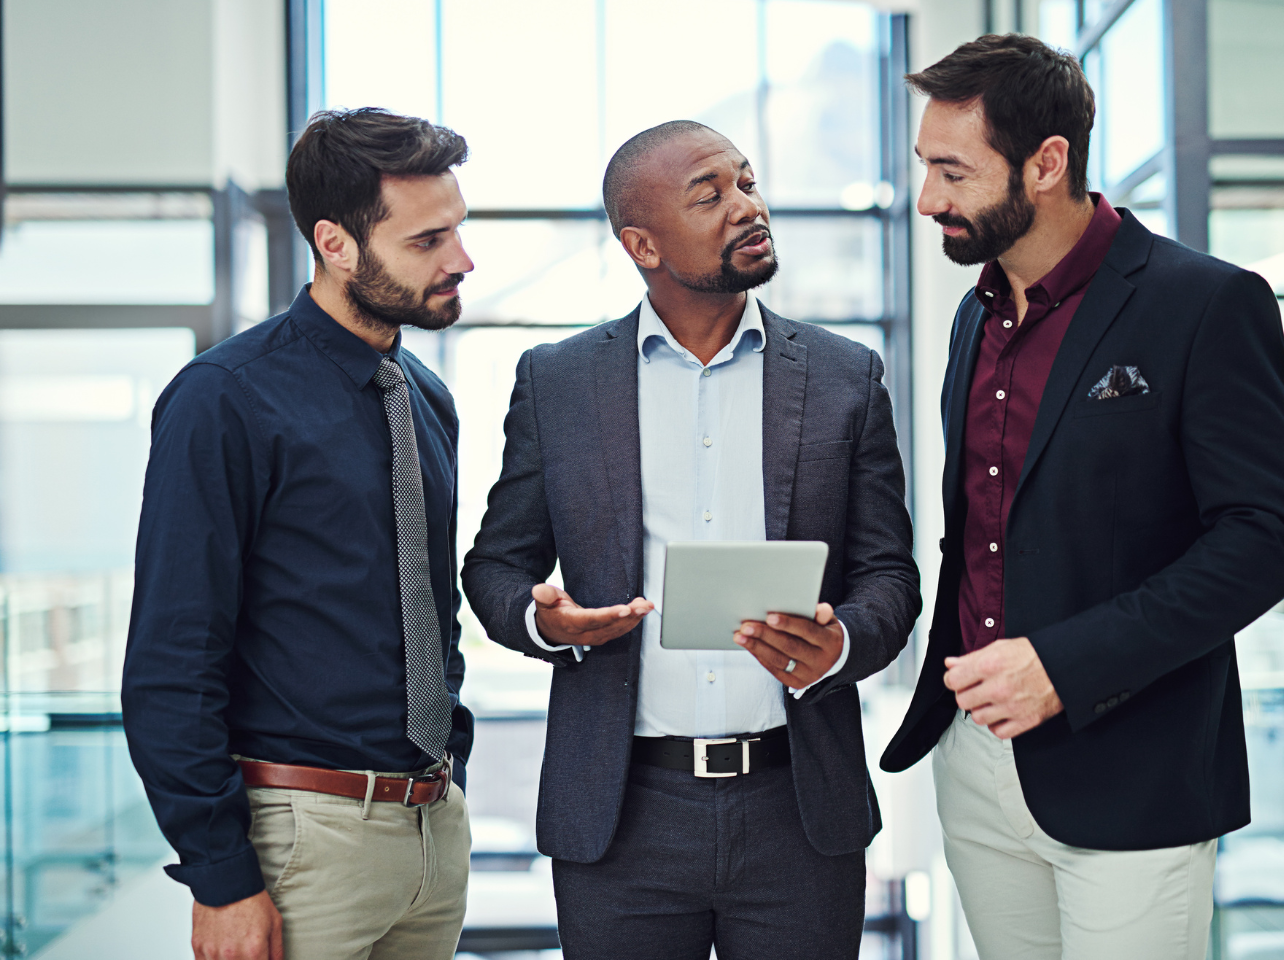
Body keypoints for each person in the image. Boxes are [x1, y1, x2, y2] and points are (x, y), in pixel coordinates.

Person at [880, 35, 1284, 960]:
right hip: (975, 760)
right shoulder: (975, 314)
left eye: (953, 172)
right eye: (925, 167)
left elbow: (1266, 539)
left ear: (1046, 163)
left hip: (1134, 772)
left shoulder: (1206, 303)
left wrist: (1065, 668)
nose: (929, 200)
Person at [463, 120, 921, 960]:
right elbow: (496, 564)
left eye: (746, 183)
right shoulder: (558, 383)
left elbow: (890, 573)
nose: (747, 207)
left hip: (800, 809)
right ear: (641, 243)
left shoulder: (845, 376)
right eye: (708, 195)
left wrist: (843, 641)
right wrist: (543, 624)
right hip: (622, 818)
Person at [122, 107, 477, 960]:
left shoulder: (423, 399)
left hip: (431, 829)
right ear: (336, 243)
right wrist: (221, 874)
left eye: (458, 230)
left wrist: (449, 769)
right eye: (427, 241)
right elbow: (173, 658)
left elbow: (430, 610)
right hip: (302, 841)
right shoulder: (223, 398)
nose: (461, 260)